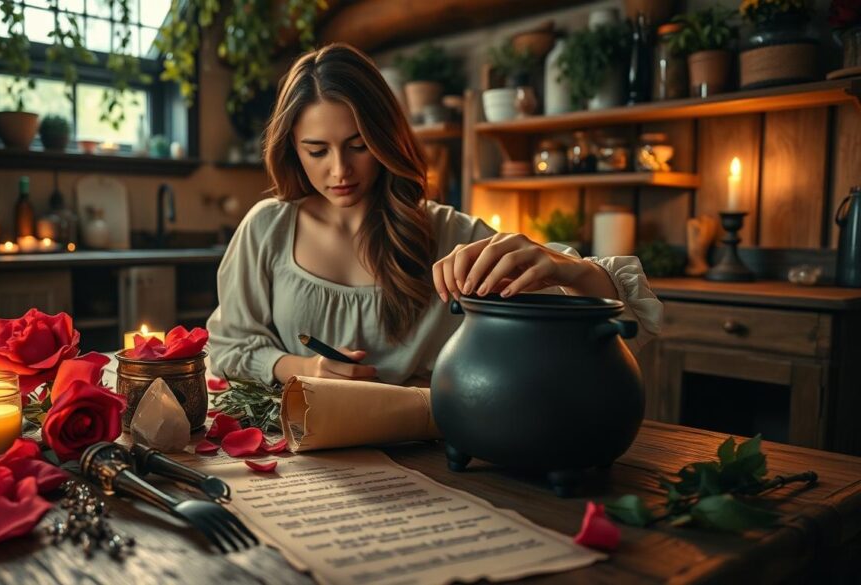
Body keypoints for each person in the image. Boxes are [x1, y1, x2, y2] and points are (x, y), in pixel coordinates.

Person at [207, 43, 661, 386]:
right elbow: (230, 345)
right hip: (301, 458)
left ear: (386, 141)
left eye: (359, 145)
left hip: (427, 454)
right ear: (292, 150)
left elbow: (624, 316)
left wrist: (572, 271)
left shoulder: (446, 232)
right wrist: (304, 368)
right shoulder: (268, 227)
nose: (340, 170)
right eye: (317, 150)